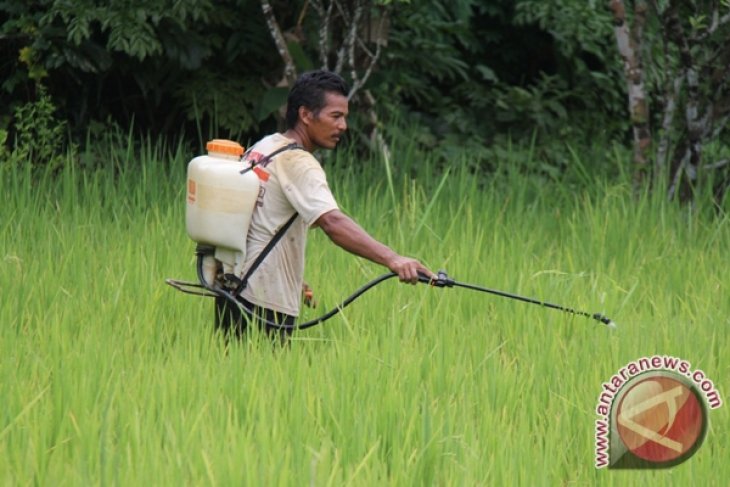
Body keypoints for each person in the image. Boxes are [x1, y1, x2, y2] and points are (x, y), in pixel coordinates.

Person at [215, 70, 434, 342]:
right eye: (336, 116)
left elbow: (260, 219)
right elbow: (333, 223)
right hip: (263, 302)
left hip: (230, 287)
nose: (343, 126)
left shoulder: (264, 147)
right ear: (306, 115)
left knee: (235, 374)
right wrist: (394, 259)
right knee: (267, 381)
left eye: (345, 117)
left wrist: (289, 277)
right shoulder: (299, 163)